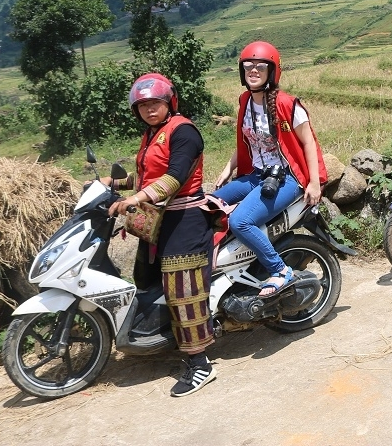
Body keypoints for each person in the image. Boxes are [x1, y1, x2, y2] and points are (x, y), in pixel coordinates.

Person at [106, 73, 216, 397]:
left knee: (180, 290)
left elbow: (174, 178)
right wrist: (107, 185)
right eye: (142, 105)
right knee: (145, 278)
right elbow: (144, 176)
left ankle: (200, 364)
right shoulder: (152, 134)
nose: (149, 109)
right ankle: (171, 337)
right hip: (158, 220)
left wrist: (135, 200)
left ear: (169, 102)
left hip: (186, 219)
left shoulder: (183, 132)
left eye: (155, 102)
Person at [211, 42, 325, 299]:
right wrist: (229, 168)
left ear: (272, 71)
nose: (253, 70)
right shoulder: (245, 101)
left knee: (241, 221)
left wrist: (314, 182)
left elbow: (309, 142)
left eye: (260, 66)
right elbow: (246, 140)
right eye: (247, 66)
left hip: (287, 178)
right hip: (256, 174)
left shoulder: (287, 104)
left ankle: (279, 269)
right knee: (209, 204)